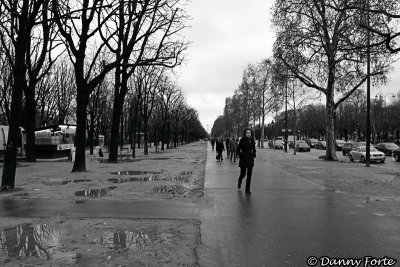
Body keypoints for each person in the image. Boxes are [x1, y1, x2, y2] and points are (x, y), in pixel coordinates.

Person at [237, 128, 256, 195]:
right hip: (243, 159)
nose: (248, 133)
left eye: (249, 132)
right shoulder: (242, 140)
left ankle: (247, 189)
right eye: (247, 132)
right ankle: (240, 180)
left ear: (251, 133)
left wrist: (254, 154)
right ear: (245, 133)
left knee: (249, 175)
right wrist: (241, 155)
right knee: (243, 173)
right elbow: (238, 149)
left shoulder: (252, 140)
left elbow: (254, 149)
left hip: (250, 159)